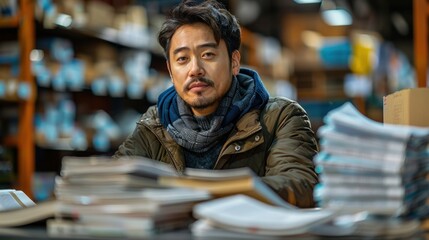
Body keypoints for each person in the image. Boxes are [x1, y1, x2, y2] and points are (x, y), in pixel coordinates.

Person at [114, 0, 319, 208]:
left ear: (235, 62)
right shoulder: (154, 125)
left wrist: (196, 195)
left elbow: (299, 186)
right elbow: (113, 182)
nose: (195, 69)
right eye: (182, 59)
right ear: (170, 70)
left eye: (208, 55)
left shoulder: (280, 118)